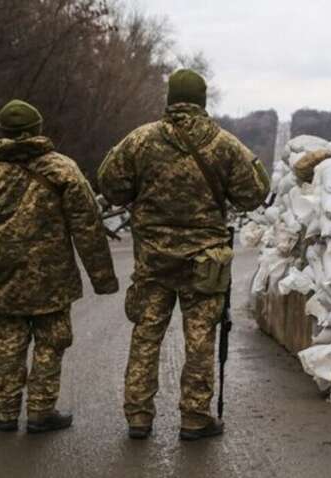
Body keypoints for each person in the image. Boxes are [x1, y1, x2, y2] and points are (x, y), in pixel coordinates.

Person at [97, 69, 270, 440]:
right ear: (203, 101)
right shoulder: (224, 145)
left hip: (153, 261)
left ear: (170, 99)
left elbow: (110, 186)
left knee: (145, 336)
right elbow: (255, 193)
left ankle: (138, 417)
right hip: (204, 263)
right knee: (200, 339)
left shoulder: (140, 140)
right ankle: (194, 417)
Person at [0, 99, 119, 433]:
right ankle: (41, 411)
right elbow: (88, 228)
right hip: (53, 281)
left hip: (5, 279)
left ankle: (5, 412)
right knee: (52, 341)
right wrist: (103, 278)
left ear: (4, 133)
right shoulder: (64, 170)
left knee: (10, 343)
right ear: (38, 129)